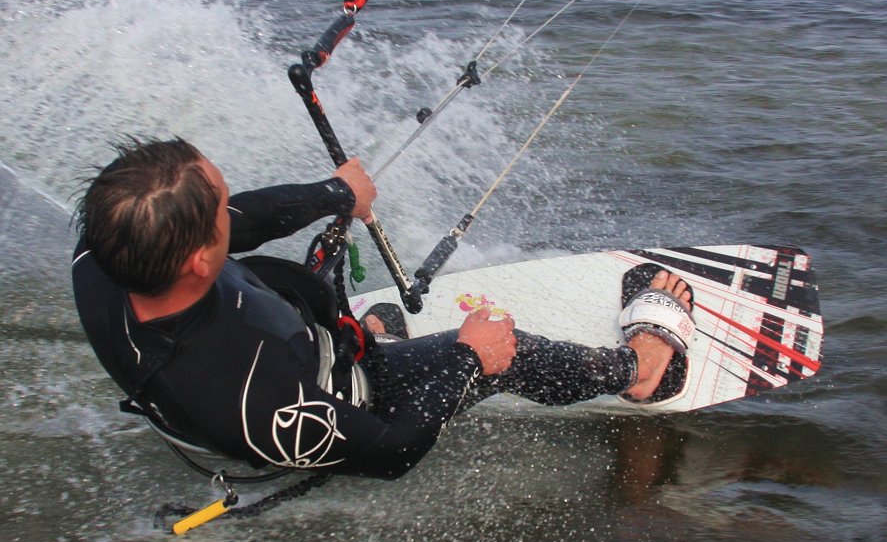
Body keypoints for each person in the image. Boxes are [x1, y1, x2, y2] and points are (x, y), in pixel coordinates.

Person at [71, 137, 694, 479]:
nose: (232, 213)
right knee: (508, 348)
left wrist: (333, 194)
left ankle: (364, 335)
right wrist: (468, 358)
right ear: (197, 263)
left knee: (294, 270)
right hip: (322, 403)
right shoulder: (257, 399)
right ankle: (640, 372)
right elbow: (392, 452)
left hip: (267, 345)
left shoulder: (108, 244)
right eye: (219, 211)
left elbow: (236, 224)